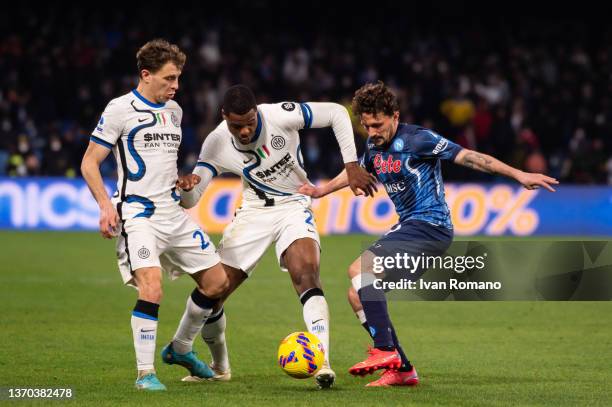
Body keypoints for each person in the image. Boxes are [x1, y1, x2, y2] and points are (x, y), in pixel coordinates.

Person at [299, 81, 558, 387]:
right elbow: (354, 172)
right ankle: (403, 370)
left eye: (378, 125)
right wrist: (321, 190)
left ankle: (384, 349)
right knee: (358, 292)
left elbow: (471, 157)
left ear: (395, 116)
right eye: (367, 126)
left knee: (360, 268)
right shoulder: (373, 145)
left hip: (429, 226)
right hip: (410, 226)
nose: (372, 132)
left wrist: (519, 174)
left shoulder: (419, 139)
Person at [177, 84, 376, 389]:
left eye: (249, 123)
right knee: (214, 292)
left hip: (293, 204)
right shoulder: (216, 142)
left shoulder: (280, 116)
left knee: (307, 273)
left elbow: (337, 113)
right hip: (253, 213)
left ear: (257, 113)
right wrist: (188, 189)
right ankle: (220, 366)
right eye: (236, 125)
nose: (244, 132)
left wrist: (351, 166)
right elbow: (193, 200)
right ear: (223, 117)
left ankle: (321, 360)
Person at [81, 39, 229, 391]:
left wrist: (183, 181)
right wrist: (105, 205)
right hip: (139, 214)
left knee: (217, 283)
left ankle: (179, 349)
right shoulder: (120, 109)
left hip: (172, 212)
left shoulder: (174, 112)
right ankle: (144, 373)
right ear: (146, 75)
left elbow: (164, 162)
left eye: (178, 78)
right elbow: (89, 162)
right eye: (169, 78)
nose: (176, 86)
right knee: (152, 287)